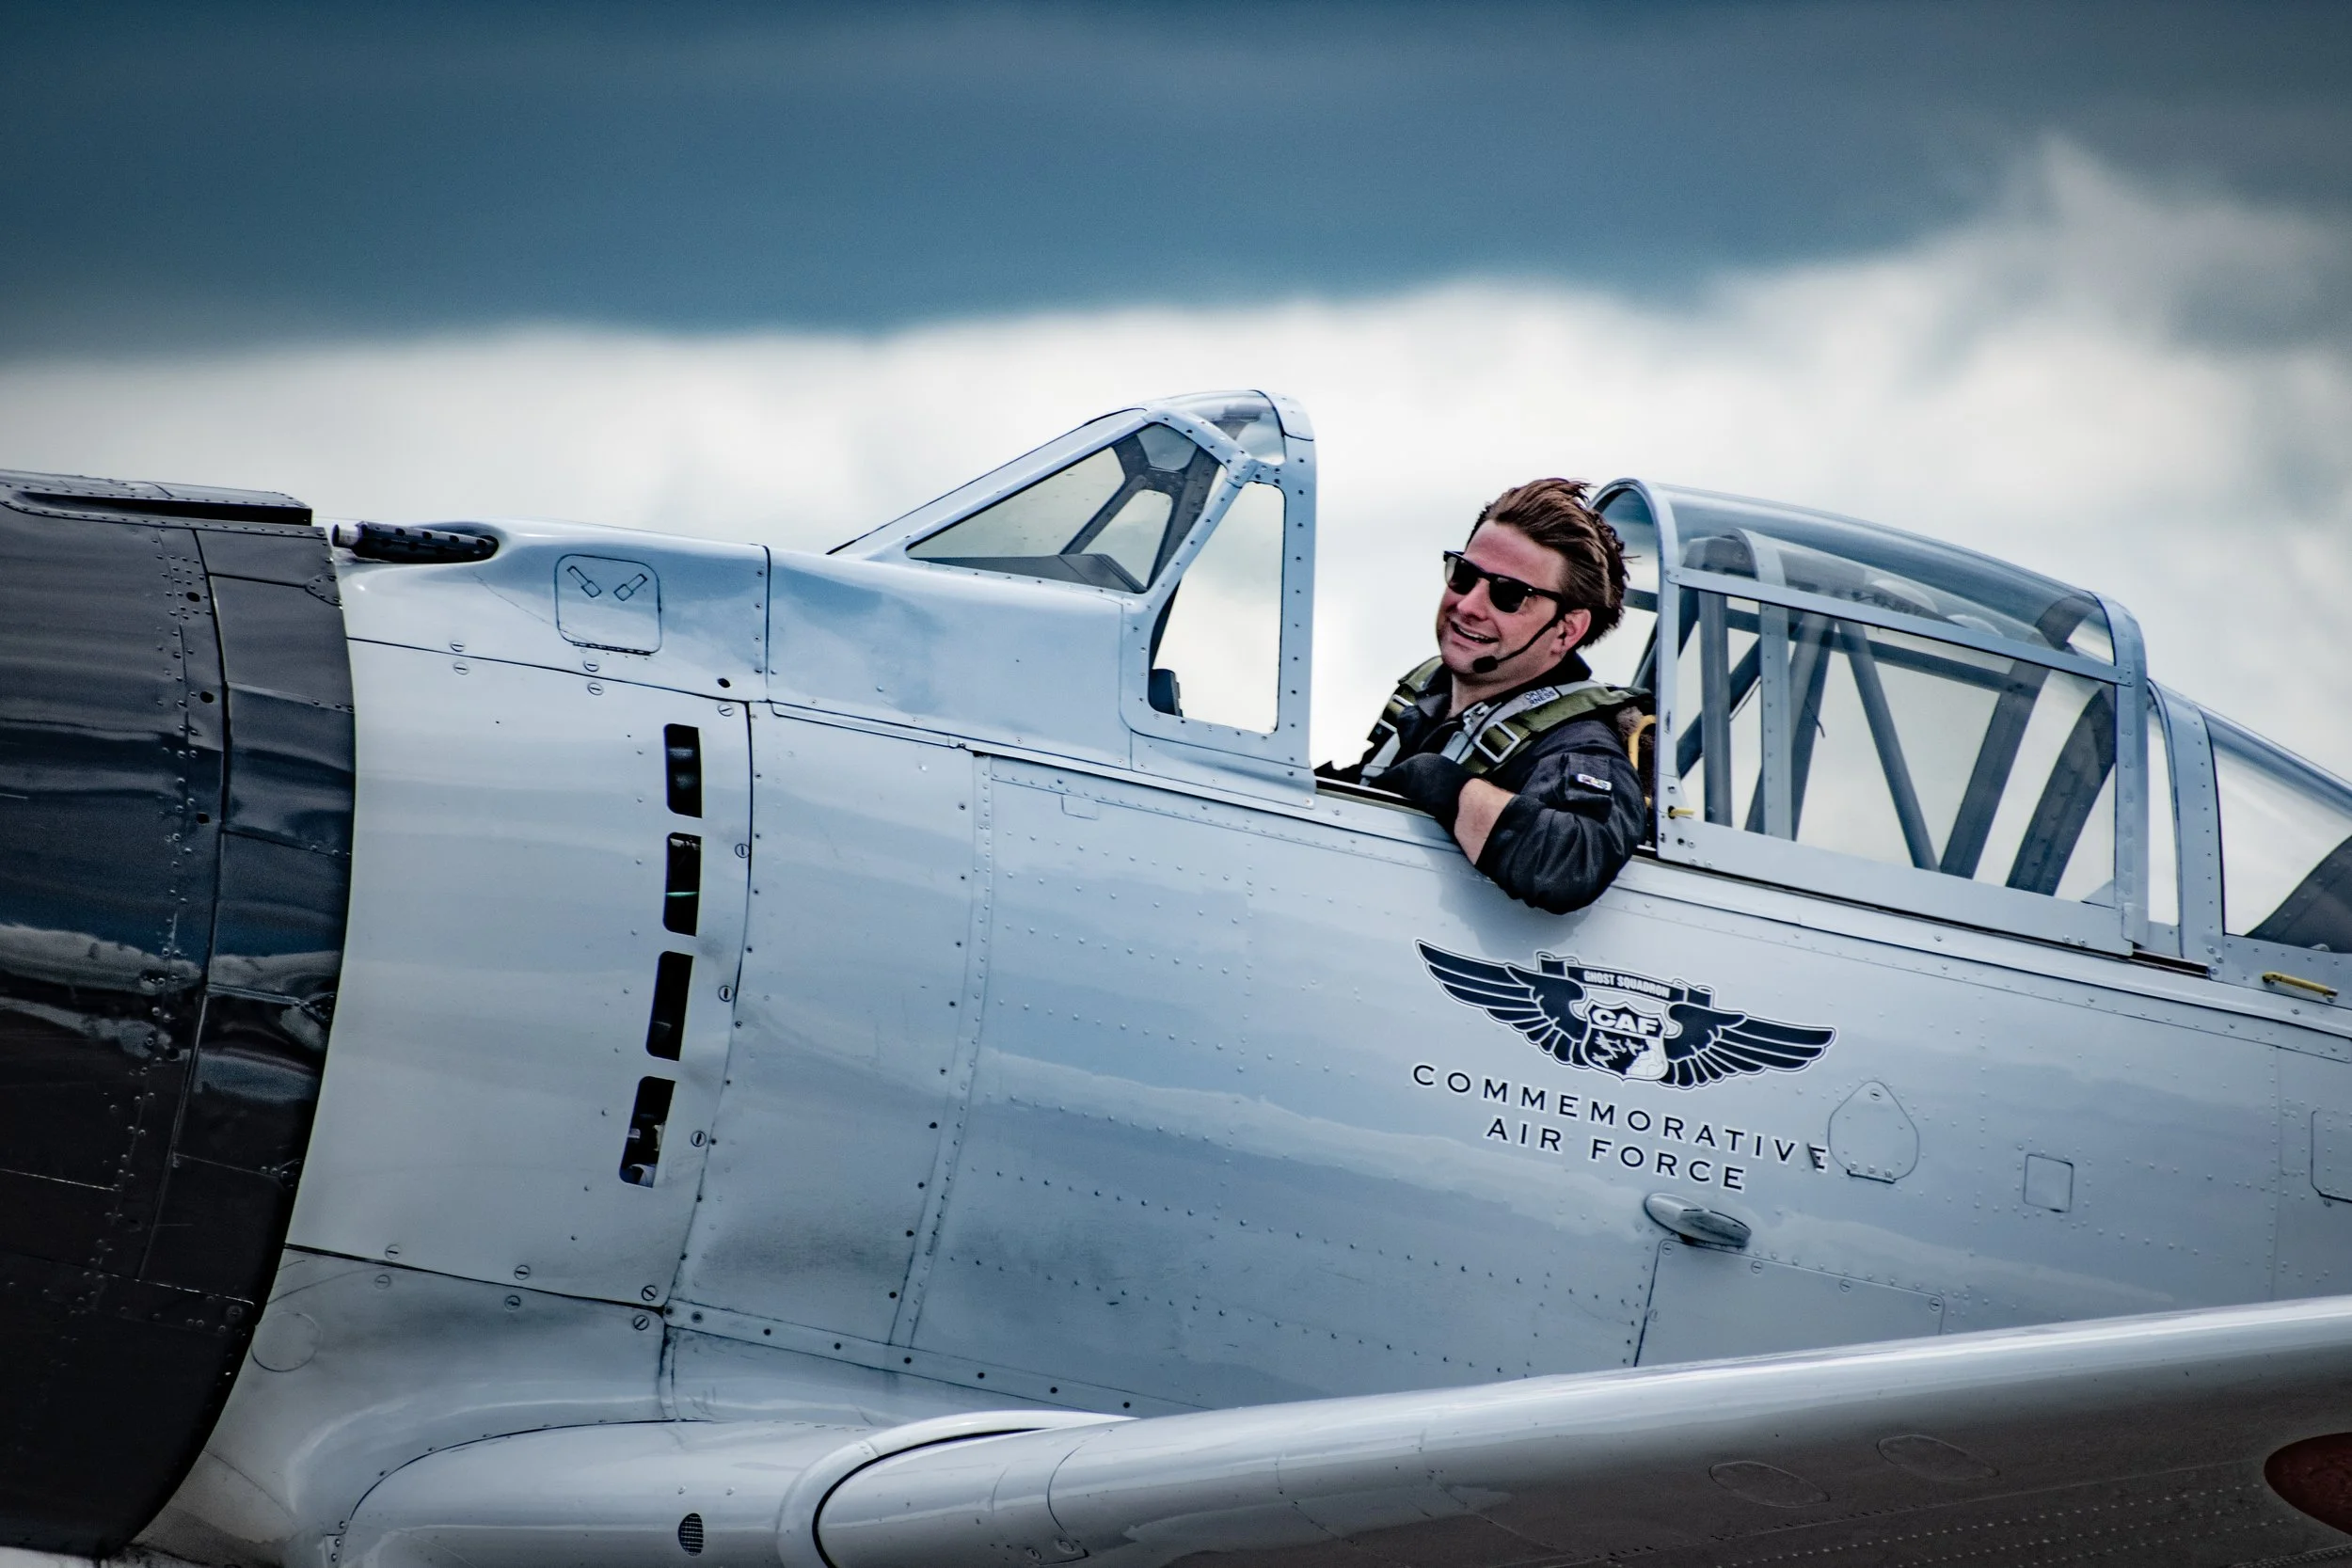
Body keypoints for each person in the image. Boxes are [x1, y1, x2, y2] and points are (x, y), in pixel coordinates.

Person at [1330, 478, 1648, 914]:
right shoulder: (1426, 694)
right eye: (1465, 575)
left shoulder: (1578, 747)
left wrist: (1437, 783)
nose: (1469, 605)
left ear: (1566, 629)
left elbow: (1572, 864)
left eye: (1508, 594)